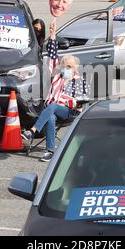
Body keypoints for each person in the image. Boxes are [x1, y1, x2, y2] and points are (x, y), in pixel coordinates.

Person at [21, 21, 89, 163]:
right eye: (64, 65)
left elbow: (83, 101)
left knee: (53, 107)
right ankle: (50, 151)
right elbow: (53, 55)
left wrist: (75, 103)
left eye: (69, 66)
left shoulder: (80, 81)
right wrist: (52, 34)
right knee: (51, 116)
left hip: (70, 112)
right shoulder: (57, 76)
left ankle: (32, 131)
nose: (66, 68)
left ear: (75, 68)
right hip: (51, 111)